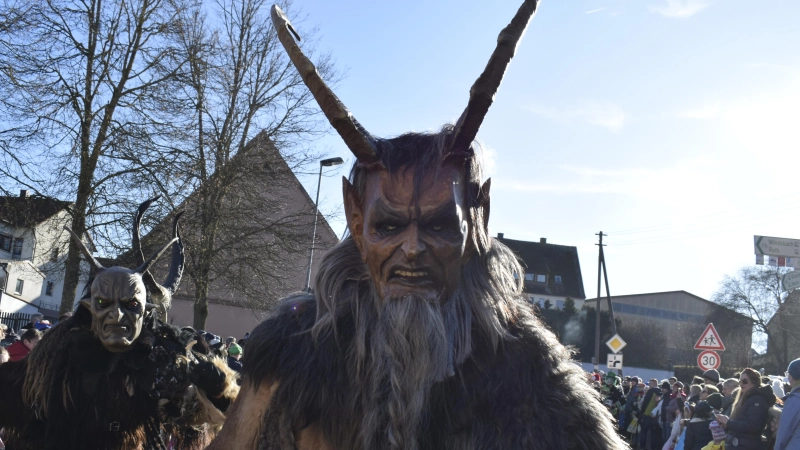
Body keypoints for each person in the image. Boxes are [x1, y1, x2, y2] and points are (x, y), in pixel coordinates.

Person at [207, 3, 627, 449]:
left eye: (440, 226)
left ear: (478, 219)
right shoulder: (293, 356)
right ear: (355, 218)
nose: (412, 248)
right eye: (388, 227)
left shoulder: (529, 373)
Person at [0, 199, 240, 449]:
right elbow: (15, 393)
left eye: (130, 305)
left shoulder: (160, 358)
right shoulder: (57, 351)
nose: (116, 315)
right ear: (89, 307)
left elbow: (195, 417)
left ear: (145, 312)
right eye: (104, 302)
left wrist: (217, 391)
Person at [716, 367, 777, 450]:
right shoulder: (745, 398)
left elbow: (753, 425)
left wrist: (729, 422)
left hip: (748, 446)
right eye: (740, 381)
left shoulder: (757, 399)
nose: (741, 384)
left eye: (745, 381)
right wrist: (726, 425)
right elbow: (740, 424)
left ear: (754, 382)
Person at [774, 358, 800, 450]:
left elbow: (785, 431)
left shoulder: (795, 400)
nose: (788, 377)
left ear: (793, 376)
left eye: (788, 374)